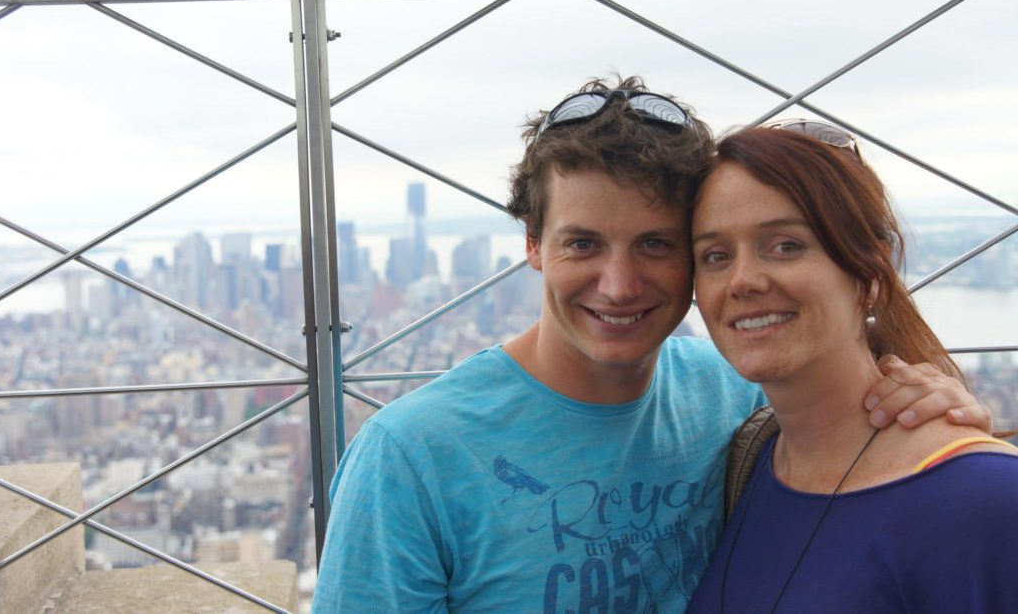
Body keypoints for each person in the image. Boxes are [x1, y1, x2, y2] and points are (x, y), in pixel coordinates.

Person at [311, 80, 988, 613]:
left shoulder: (733, 396)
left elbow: (854, 421)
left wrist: (924, 393)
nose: (619, 283)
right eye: (583, 243)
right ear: (531, 245)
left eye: (656, 244)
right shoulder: (411, 455)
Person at [687, 123, 1018, 613]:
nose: (743, 280)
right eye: (715, 256)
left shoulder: (987, 499)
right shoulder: (748, 464)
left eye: (786, 245)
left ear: (870, 274)